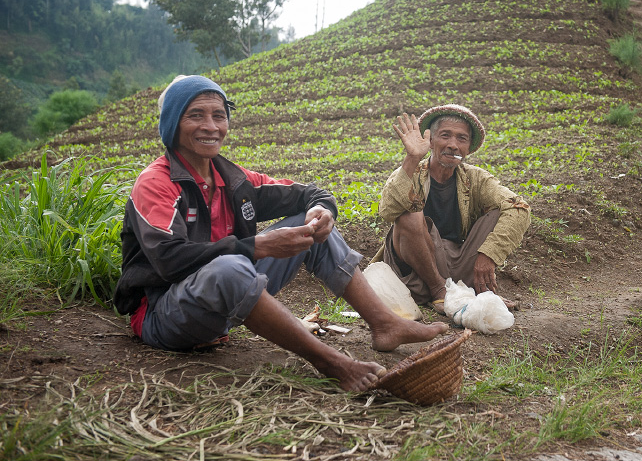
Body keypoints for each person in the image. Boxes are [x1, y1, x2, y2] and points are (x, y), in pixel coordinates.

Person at [113, 75, 447, 393]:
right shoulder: (156, 183)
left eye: (219, 115)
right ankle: (332, 363)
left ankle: (384, 324)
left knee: (311, 226)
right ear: (172, 124)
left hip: (223, 305)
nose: (211, 126)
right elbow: (169, 261)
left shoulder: (235, 180)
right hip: (166, 315)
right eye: (195, 115)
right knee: (230, 267)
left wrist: (323, 212)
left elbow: (310, 194)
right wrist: (256, 246)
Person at [372, 104, 531, 314]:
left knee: (500, 210)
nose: (453, 145)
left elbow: (519, 208)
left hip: (457, 265)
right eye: (445, 135)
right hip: (416, 273)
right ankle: (438, 290)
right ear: (430, 141)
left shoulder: (475, 178)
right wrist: (411, 158)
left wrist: (488, 255)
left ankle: (464, 292)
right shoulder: (412, 172)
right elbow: (387, 211)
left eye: (461, 139)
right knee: (409, 215)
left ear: (468, 149)